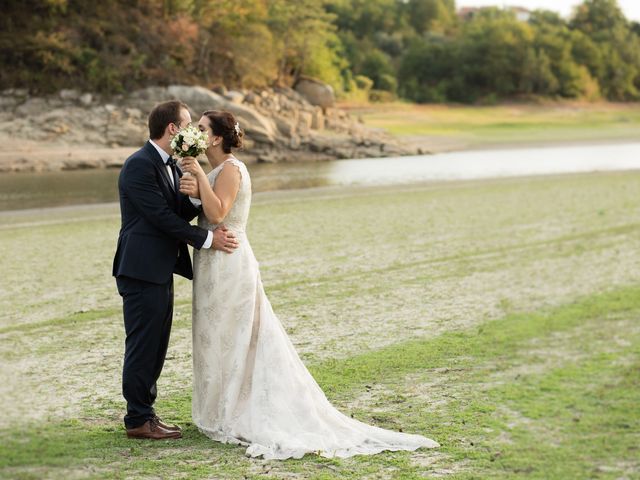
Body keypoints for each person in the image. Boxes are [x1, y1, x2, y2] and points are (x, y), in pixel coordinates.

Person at [179, 110, 439, 459]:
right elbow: (199, 208)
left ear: (215, 138)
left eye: (201, 128)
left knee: (237, 336)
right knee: (215, 333)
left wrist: (197, 174)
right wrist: (192, 183)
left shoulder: (230, 169)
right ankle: (217, 409)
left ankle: (237, 410)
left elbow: (219, 213)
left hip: (230, 261)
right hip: (210, 260)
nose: (195, 131)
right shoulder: (212, 171)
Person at [112, 101, 238, 440]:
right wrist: (208, 239)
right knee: (143, 345)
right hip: (140, 270)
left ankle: (145, 414)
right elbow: (161, 219)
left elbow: (177, 210)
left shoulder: (167, 163)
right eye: (187, 125)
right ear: (172, 129)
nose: (193, 132)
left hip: (158, 269)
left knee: (156, 345)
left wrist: (199, 194)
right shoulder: (139, 165)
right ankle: (137, 419)